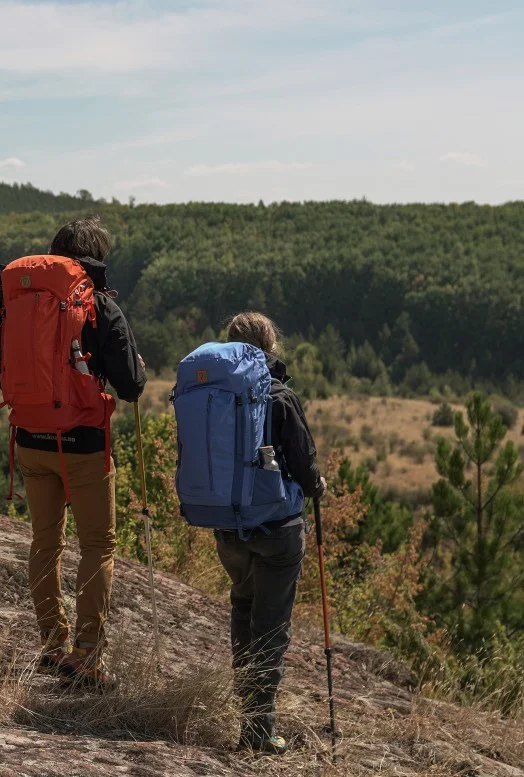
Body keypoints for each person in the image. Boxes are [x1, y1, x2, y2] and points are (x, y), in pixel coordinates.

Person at [14, 217, 145, 688]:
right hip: (84, 443)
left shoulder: (20, 299)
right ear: (99, 257)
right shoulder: (101, 307)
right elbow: (131, 386)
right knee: (97, 544)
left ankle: (52, 645)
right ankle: (87, 654)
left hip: (31, 437)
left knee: (46, 542)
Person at [215, 312, 326, 754]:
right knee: (270, 628)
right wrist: (317, 485)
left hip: (227, 527)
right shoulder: (278, 396)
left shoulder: (214, 394)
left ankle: (248, 717)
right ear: (271, 346)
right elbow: (303, 464)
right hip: (277, 530)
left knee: (243, 610)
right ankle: (259, 733)